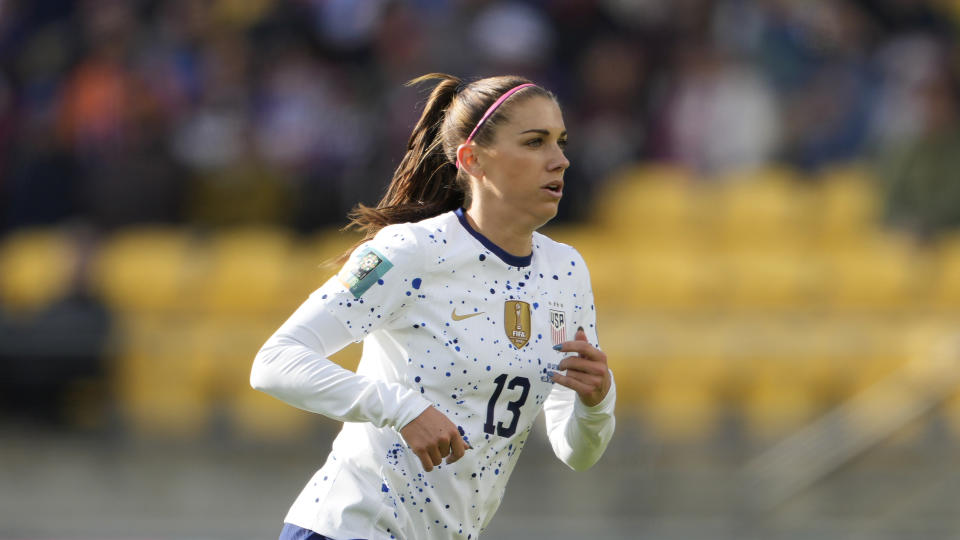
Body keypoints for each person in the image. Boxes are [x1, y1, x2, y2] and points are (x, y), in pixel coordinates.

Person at [251, 73, 616, 540]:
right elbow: (275, 362)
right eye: (534, 142)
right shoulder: (410, 251)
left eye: (561, 142)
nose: (560, 160)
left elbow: (577, 452)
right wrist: (400, 408)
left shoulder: (566, 271)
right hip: (350, 528)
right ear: (473, 159)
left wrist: (595, 403)